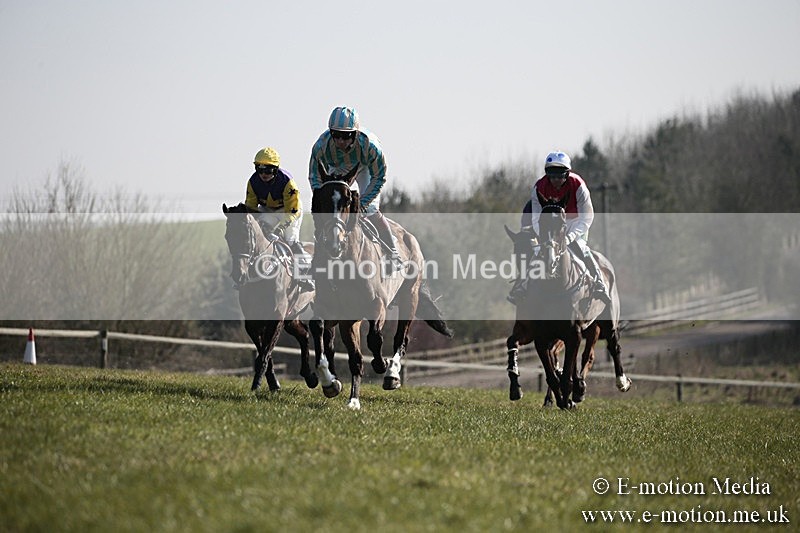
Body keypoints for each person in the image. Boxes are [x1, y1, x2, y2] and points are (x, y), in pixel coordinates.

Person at [507, 150, 611, 305]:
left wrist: (570, 237)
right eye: (552, 175)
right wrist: (543, 238)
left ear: (567, 174)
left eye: (560, 175)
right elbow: (536, 218)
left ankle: (598, 283)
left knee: (582, 248)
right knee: (538, 252)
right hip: (551, 227)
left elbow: (587, 217)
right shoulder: (539, 188)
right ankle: (522, 285)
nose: (556, 179)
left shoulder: (578, 186)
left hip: (576, 223)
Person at [308, 106, 401, 270]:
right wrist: (323, 199)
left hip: (365, 168)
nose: (340, 141)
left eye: (346, 136)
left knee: (371, 210)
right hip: (336, 169)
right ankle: (317, 261)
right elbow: (315, 178)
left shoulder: (371, 147)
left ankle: (393, 252)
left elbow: (379, 177)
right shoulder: (320, 147)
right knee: (329, 215)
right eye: (335, 135)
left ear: (355, 134)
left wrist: (362, 203)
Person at [245, 146, 313, 291]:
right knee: (257, 236)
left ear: (275, 169)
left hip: (288, 211)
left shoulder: (288, 183)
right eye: (260, 169)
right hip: (268, 210)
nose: (264, 174)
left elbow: (292, 211)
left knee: (290, 239)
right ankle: (245, 272)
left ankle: (304, 274)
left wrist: (279, 229)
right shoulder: (252, 182)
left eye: (268, 170)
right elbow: (250, 208)